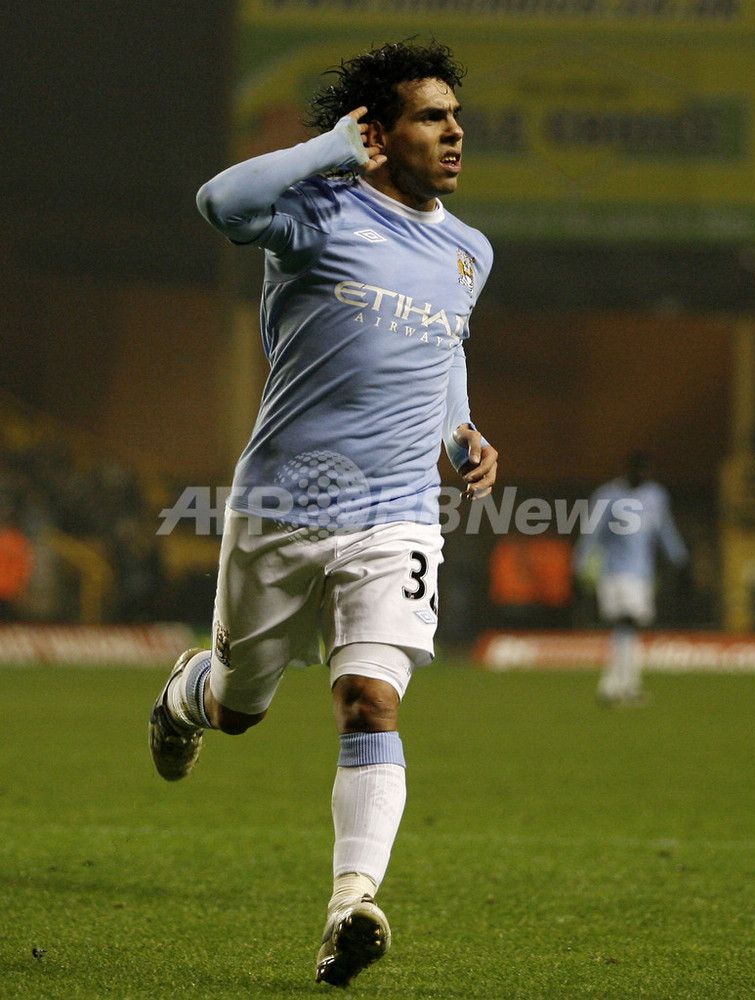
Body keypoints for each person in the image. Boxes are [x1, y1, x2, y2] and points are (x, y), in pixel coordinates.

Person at [148, 40, 497, 988]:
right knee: (243, 706)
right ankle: (188, 694)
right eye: (432, 116)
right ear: (378, 134)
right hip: (281, 507)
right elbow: (219, 203)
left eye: (455, 115)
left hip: (396, 515)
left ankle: (352, 904)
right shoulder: (318, 212)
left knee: (367, 699)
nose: (457, 130)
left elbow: (444, 349)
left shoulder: (471, 252)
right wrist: (332, 149)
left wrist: (462, 433)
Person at [573, 451, 688, 705]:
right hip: (614, 573)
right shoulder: (608, 496)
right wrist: (580, 567)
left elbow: (664, 529)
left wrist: (679, 558)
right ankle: (613, 685)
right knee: (625, 623)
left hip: (643, 574)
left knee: (629, 628)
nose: (643, 476)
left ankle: (626, 686)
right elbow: (591, 534)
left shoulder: (656, 496)